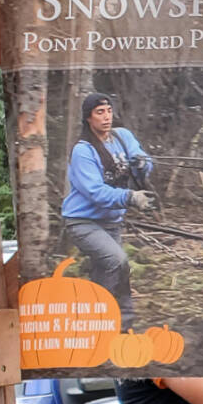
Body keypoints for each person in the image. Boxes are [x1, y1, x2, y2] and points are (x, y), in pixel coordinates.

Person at [63, 91, 155, 330]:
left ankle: (116, 328)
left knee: (109, 273)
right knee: (118, 260)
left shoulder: (122, 136)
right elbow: (95, 192)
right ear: (88, 118)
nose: (106, 117)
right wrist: (130, 197)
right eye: (99, 112)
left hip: (112, 222)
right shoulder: (83, 151)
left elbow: (142, 160)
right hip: (82, 222)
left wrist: (143, 164)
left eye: (109, 111)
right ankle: (110, 322)